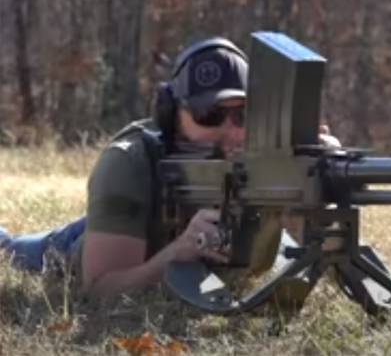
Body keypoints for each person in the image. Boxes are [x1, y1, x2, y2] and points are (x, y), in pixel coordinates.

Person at [1, 37, 338, 297]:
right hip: (114, 235)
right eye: (210, 115)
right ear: (170, 114)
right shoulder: (129, 161)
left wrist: (320, 179)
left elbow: (315, 249)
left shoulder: (263, 156)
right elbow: (100, 289)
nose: (231, 131)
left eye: (243, 115)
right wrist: (177, 255)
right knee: (11, 251)